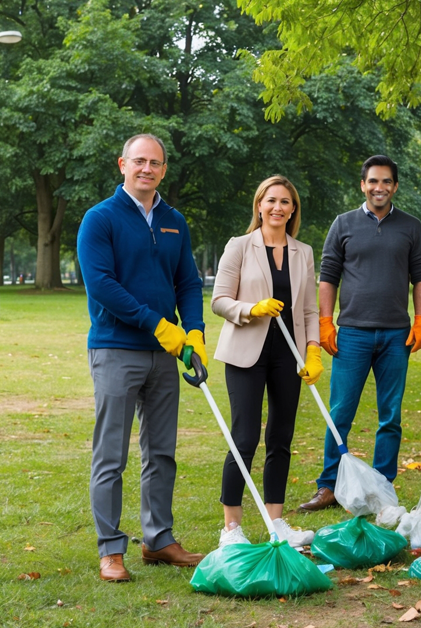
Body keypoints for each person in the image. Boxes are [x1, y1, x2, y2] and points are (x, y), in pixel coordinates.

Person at [76, 133, 206, 582]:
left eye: (155, 163)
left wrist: (193, 331)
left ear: (164, 170)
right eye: (139, 161)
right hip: (116, 349)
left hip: (166, 354)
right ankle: (111, 550)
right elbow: (103, 286)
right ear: (122, 164)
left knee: (161, 452)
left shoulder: (174, 220)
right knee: (111, 454)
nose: (146, 169)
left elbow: (188, 282)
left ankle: (158, 540)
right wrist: (156, 324)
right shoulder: (100, 219)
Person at [300, 155, 421, 512]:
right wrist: (327, 322)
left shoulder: (411, 226)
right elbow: (328, 277)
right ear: (363, 184)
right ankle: (328, 485)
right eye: (373, 181)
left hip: (395, 335)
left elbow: (420, 276)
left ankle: (383, 485)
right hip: (352, 332)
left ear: (395, 186)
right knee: (340, 411)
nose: (379, 188)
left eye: (387, 182)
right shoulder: (343, 224)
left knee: (390, 413)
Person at [210, 175, 322, 548]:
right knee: (244, 437)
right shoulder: (239, 246)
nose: (278, 207)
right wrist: (251, 309)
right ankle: (231, 529)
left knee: (280, 438)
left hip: (287, 357)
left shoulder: (302, 252)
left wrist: (312, 350)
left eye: (285, 202)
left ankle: (277, 525)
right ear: (259, 205)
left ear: (293, 210)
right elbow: (220, 300)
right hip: (246, 352)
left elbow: (307, 309)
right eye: (271, 200)